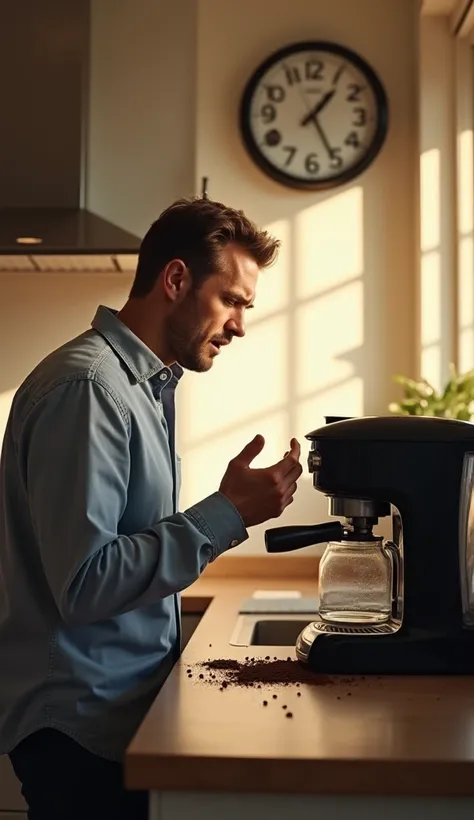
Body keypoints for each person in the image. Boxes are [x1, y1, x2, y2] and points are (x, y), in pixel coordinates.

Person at [0, 197, 302, 820]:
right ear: (176, 280)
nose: (240, 325)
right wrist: (227, 512)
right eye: (233, 300)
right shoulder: (90, 390)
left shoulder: (142, 387)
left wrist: (228, 511)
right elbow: (85, 583)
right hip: (79, 732)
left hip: (113, 716)